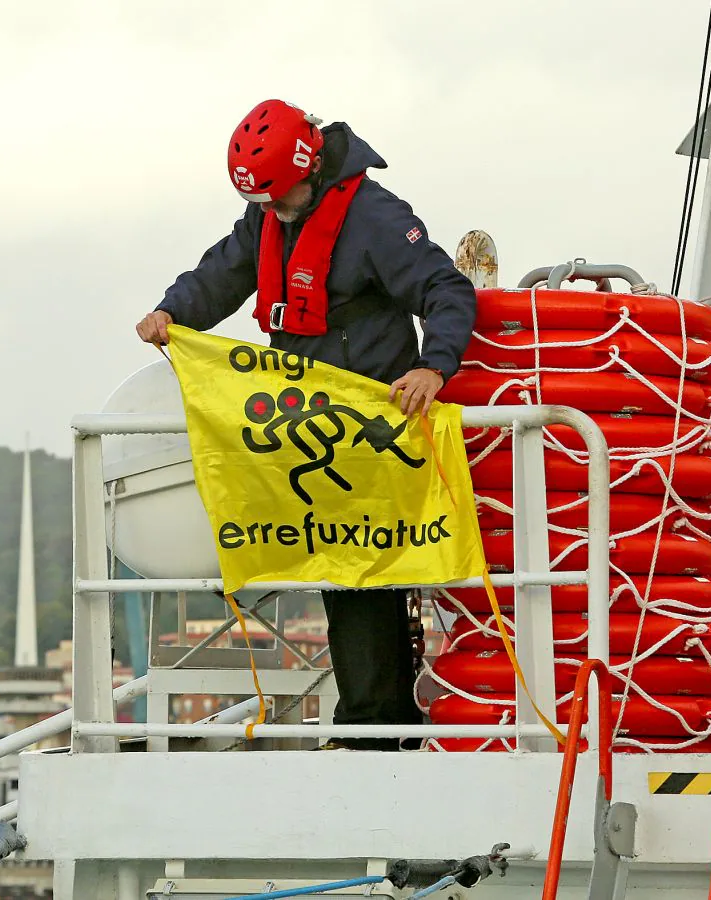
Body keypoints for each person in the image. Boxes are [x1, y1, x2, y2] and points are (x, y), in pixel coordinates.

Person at [135, 99, 477, 750]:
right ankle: (370, 726)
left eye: (277, 196)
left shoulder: (375, 217)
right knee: (336, 575)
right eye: (260, 201)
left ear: (310, 165)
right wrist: (170, 313)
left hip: (375, 430)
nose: (271, 209)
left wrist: (434, 367)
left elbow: (445, 290)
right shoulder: (270, 211)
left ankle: (373, 732)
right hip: (312, 428)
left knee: (363, 578)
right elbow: (223, 272)